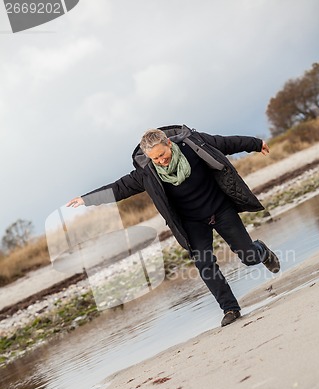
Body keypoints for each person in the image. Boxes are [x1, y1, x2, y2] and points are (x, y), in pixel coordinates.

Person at [67, 124, 280, 327]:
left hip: (220, 209)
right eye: (155, 158)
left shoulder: (194, 144)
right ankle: (230, 309)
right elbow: (119, 188)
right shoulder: (147, 171)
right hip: (192, 222)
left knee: (249, 257)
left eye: (162, 154)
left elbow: (224, 143)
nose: (160, 161)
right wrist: (86, 199)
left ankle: (262, 251)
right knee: (205, 266)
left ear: (169, 143)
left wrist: (255, 143)